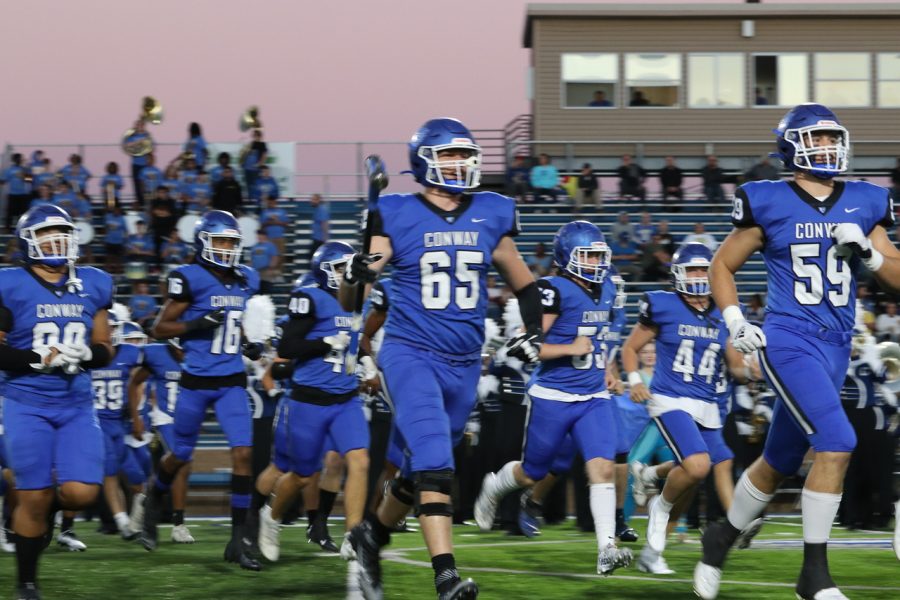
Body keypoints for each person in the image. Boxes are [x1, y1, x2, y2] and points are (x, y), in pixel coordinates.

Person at [694, 103, 900, 600]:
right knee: (837, 442)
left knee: (780, 456)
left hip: (836, 345)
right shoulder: (768, 200)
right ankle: (814, 576)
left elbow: (896, 274)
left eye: (834, 139)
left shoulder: (865, 201)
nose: (829, 148)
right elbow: (721, 266)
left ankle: (720, 536)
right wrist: (735, 319)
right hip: (788, 339)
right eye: (818, 139)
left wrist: (870, 255)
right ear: (793, 147)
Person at [339, 117, 542, 600]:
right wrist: (354, 270)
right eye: (449, 154)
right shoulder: (397, 213)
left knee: (415, 473)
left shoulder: (490, 212)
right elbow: (354, 298)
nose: (460, 163)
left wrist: (533, 327)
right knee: (436, 464)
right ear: (425, 161)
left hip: (465, 362)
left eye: (464, 154)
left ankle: (371, 536)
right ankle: (446, 578)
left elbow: (524, 281)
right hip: (411, 354)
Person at [475, 223, 634, 580]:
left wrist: (607, 367)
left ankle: (606, 548)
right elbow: (523, 346)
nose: (596, 262)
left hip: (592, 395)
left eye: (598, 254)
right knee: (532, 472)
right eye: (588, 256)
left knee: (603, 469)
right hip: (553, 396)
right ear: (567, 258)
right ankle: (494, 487)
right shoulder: (552, 290)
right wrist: (569, 349)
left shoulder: (607, 287)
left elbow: (601, 337)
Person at [0, 205, 114, 599]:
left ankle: (45, 515)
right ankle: (27, 584)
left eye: (63, 233)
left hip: (75, 402)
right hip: (25, 400)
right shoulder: (9, 283)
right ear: (28, 241)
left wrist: (86, 356)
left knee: (82, 492)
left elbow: (105, 347)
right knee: (32, 494)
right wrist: (39, 358)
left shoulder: (93, 282)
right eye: (48, 234)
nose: (57, 241)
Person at [141, 210, 262, 571]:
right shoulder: (188, 278)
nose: (226, 249)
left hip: (231, 381)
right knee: (179, 453)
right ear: (204, 242)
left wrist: (246, 345)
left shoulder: (245, 279)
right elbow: (159, 329)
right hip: (195, 381)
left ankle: (238, 539)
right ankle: (152, 502)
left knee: (243, 454)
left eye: (231, 242)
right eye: (220, 241)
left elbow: (232, 324)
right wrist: (195, 323)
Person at [621, 243, 751, 575]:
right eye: (690, 270)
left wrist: (753, 366)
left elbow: (736, 367)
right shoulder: (663, 305)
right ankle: (658, 507)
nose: (696, 276)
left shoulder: (723, 312)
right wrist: (635, 379)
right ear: (678, 274)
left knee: (698, 477)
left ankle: (652, 549)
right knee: (696, 467)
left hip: (707, 404)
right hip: (671, 399)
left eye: (701, 269)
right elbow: (630, 348)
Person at [257, 241, 371, 562]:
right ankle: (271, 518)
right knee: (302, 475)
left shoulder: (359, 298)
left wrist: (365, 359)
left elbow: (354, 339)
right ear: (323, 270)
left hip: (345, 398)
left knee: (359, 461)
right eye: (339, 267)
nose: (346, 273)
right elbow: (290, 347)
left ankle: (353, 535)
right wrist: (323, 343)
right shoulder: (309, 298)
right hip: (309, 401)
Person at [128, 338, 194, 544]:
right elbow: (134, 382)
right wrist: (136, 417)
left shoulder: (200, 355)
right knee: (182, 463)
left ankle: (146, 502)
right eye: (179, 349)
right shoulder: (156, 354)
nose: (182, 354)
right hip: (164, 419)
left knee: (175, 469)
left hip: (186, 419)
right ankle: (179, 525)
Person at [90, 320, 147, 541]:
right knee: (110, 471)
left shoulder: (130, 353)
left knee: (136, 476)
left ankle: (135, 520)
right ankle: (122, 521)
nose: (110, 331)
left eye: (112, 327)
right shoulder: (87, 352)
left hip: (120, 423)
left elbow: (140, 381)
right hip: (96, 421)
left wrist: (136, 414)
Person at [123, 119, 154, 209]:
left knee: (146, 185)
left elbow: (151, 148)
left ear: (144, 126)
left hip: (145, 164)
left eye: (141, 125)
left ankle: (147, 203)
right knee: (136, 185)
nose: (139, 126)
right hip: (135, 164)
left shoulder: (147, 136)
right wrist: (138, 143)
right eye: (137, 125)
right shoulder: (131, 137)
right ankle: (140, 204)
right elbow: (127, 147)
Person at [1, 153, 32, 231]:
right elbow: (3, 181)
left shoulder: (25, 169)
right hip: (12, 194)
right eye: (19, 158)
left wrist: (22, 176)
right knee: (10, 213)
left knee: (24, 213)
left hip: (23, 194)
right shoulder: (9, 170)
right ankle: (7, 229)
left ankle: (24, 228)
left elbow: (29, 180)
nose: (20, 160)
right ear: (14, 160)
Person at [241, 129, 268, 198]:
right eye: (254, 135)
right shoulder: (250, 144)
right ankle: (250, 198)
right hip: (247, 168)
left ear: (260, 136)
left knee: (256, 184)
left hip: (255, 169)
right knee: (248, 185)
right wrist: (243, 162)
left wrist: (259, 164)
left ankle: (256, 198)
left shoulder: (262, 145)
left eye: (256, 135)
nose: (255, 137)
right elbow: (245, 154)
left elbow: (264, 155)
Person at [309, 193, 330, 261]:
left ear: (318, 200)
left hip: (320, 240)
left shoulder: (322, 209)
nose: (311, 201)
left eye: (313, 199)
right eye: (311, 199)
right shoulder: (318, 209)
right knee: (314, 258)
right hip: (317, 238)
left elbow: (324, 224)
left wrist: (325, 239)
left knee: (315, 259)